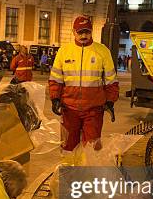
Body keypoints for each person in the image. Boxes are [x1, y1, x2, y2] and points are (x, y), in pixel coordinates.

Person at [49, 15, 119, 154]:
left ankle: (86, 174)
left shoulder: (102, 51)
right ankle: (68, 173)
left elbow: (111, 80)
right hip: (69, 108)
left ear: (91, 31)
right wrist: (55, 98)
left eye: (87, 31)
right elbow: (56, 78)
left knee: (93, 148)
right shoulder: (64, 51)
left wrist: (110, 101)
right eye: (80, 32)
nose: (83, 35)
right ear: (73, 32)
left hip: (93, 110)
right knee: (67, 146)